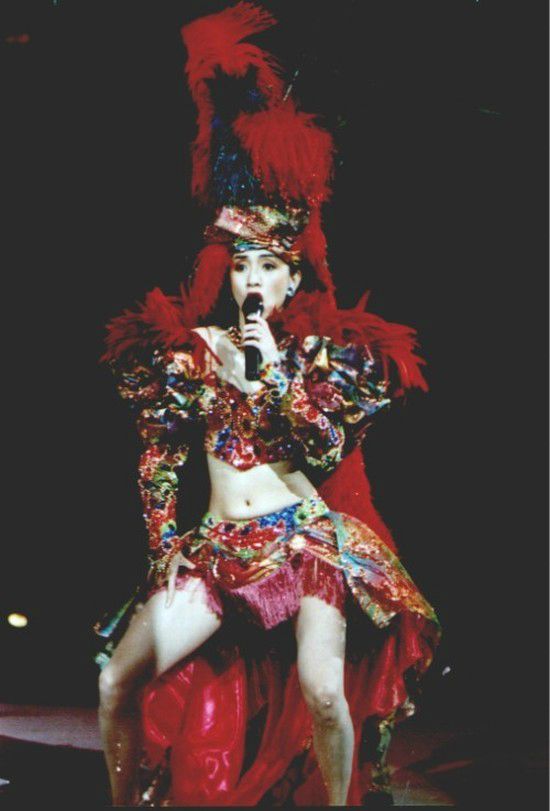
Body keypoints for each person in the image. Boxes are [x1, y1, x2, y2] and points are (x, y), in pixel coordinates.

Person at [95, 3, 441, 806]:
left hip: (302, 542)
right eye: (242, 263)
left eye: (269, 267)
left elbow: (321, 447)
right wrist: (163, 542)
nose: (252, 280)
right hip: (218, 549)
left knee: (321, 688)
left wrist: (270, 369)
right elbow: (159, 449)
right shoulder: (190, 350)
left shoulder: (327, 355)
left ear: (293, 276)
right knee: (115, 679)